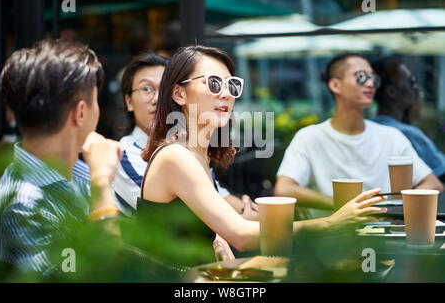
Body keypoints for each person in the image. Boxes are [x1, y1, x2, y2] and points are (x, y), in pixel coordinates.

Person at [138, 45, 388, 260]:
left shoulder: (196, 155)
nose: (226, 93)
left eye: (232, 85)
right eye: (213, 83)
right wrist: (332, 222)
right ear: (179, 93)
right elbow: (241, 236)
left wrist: (216, 241)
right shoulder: (177, 157)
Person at [0, 39, 122, 274]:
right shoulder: (22, 205)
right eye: (95, 102)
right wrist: (102, 184)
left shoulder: (81, 171)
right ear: (81, 112)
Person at [274, 53, 443, 215]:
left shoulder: (391, 136)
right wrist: (346, 207)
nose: (370, 84)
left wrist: (394, 206)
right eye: (361, 77)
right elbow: (283, 189)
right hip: (331, 235)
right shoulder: (310, 137)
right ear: (335, 85)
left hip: (384, 233)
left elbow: (433, 184)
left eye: (374, 79)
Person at [112, 52, 258, 218]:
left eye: (163, 89)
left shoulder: (190, 146)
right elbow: (192, 212)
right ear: (128, 101)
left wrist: (249, 212)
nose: (158, 98)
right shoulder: (126, 153)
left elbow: (218, 195)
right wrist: (243, 219)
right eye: (147, 89)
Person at [372, 57, 445, 182]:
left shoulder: (370, 127)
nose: (416, 88)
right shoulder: (409, 134)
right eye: (410, 81)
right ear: (391, 91)